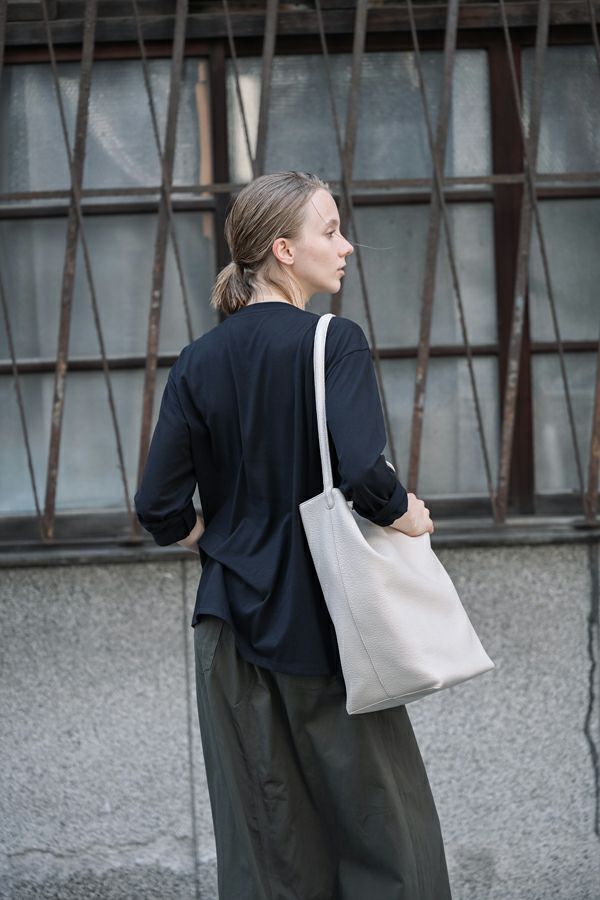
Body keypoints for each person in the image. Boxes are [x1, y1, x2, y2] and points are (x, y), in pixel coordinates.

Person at [134, 171, 452, 900]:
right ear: (283, 249)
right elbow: (365, 475)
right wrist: (406, 513)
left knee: (267, 852)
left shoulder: (197, 361)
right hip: (329, 626)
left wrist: (215, 538)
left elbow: (157, 506)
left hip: (230, 633)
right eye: (330, 231)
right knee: (386, 842)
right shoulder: (333, 342)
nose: (346, 247)